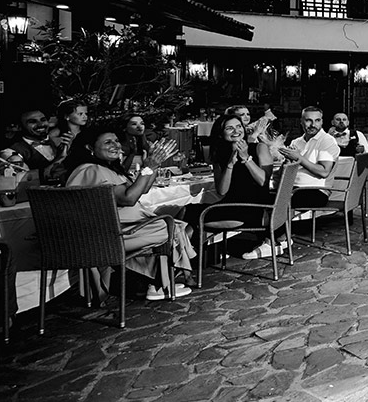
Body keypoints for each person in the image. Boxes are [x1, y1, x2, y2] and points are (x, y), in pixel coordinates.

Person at [65, 127, 195, 300]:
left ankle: (156, 283)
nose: (115, 145)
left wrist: (153, 164)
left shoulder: (104, 168)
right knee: (171, 228)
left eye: (116, 141)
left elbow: (143, 189)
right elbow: (129, 198)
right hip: (108, 235)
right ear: (90, 148)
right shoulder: (91, 170)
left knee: (174, 227)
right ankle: (159, 284)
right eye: (108, 142)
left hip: (119, 229)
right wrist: (148, 167)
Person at [246, 106, 340, 259]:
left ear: (322, 122)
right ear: (301, 122)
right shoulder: (298, 141)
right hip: (293, 188)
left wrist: (298, 158)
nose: (313, 125)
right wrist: (286, 162)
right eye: (308, 120)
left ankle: (271, 243)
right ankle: (282, 238)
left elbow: (324, 171)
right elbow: (291, 167)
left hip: (317, 191)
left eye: (317, 120)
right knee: (262, 197)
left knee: (282, 201)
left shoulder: (327, 141)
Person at [183, 115, 273, 230]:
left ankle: (181, 240)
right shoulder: (219, 155)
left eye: (239, 126)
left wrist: (246, 158)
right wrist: (230, 164)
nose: (236, 131)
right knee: (186, 211)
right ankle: (182, 241)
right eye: (229, 128)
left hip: (255, 208)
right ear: (221, 134)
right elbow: (222, 191)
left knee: (192, 221)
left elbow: (263, 181)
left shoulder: (260, 148)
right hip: (229, 205)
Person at [0, 106, 68, 185]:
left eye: (43, 120)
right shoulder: (11, 152)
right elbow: (23, 180)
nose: (41, 124)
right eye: (32, 122)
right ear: (19, 127)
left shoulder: (60, 142)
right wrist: (61, 158)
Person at [47, 98, 87, 174]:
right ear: (67, 116)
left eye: (86, 113)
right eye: (80, 114)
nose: (85, 117)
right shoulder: (56, 134)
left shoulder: (87, 133)